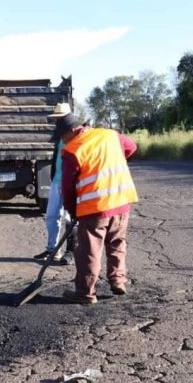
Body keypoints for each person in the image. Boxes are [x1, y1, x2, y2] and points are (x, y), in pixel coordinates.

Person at [56, 114, 138, 304]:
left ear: (72, 131)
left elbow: (67, 188)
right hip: (121, 201)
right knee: (117, 243)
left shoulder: (72, 150)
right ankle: (118, 280)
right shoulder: (110, 135)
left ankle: (85, 293)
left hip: (95, 208)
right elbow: (131, 147)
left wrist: (72, 211)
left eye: (62, 136)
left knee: (89, 251)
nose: (62, 141)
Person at [34, 103, 72, 262]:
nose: (58, 121)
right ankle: (52, 250)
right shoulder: (60, 136)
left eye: (60, 118)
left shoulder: (75, 135)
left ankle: (71, 252)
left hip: (71, 182)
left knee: (70, 218)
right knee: (51, 216)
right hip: (57, 181)